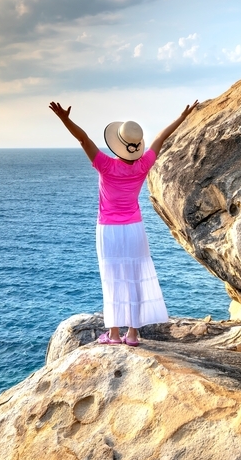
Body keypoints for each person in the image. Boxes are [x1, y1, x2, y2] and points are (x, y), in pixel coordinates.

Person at [49, 100, 199, 346]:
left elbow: (84, 140)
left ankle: (114, 334)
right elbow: (161, 138)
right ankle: (132, 334)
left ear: (118, 146)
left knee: (113, 279)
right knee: (135, 277)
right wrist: (182, 117)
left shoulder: (105, 165)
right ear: (137, 146)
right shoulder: (143, 165)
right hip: (134, 229)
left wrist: (64, 119)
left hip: (108, 230)